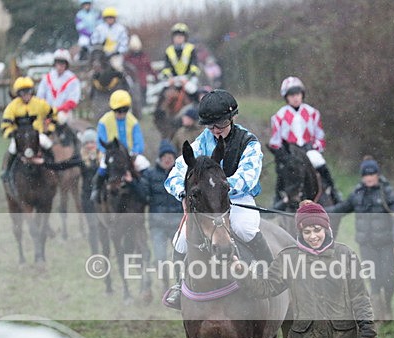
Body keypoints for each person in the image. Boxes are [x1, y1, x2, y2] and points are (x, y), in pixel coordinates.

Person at [232, 200, 378, 338]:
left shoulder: (345, 255)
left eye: (317, 230)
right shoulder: (289, 258)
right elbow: (265, 288)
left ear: (326, 228)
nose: (313, 236)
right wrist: (242, 272)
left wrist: (368, 334)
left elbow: (360, 298)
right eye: (307, 231)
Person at [163, 89, 271, 309]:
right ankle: (179, 286)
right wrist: (183, 193)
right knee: (181, 240)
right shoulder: (200, 143)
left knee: (244, 228)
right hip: (207, 204)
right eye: (210, 126)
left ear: (232, 118)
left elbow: (248, 176)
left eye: (220, 124)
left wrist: (219, 189)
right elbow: (174, 175)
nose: (215, 130)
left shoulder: (248, 142)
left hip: (237, 198)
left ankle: (269, 272)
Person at [328, 158, 394, 321]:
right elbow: (340, 209)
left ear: (377, 175)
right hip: (367, 245)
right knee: (374, 279)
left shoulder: (387, 192)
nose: (369, 178)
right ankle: (378, 314)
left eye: (372, 174)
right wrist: (317, 211)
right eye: (366, 175)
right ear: (362, 177)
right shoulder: (357, 193)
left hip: (386, 244)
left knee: (388, 281)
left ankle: (388, 306)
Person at [269, 76, 340, 203]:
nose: (295, 97)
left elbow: (320, 136)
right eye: (291, 95)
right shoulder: (278, 116)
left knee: (320, 163)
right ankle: (278, 198)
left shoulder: (313, 113)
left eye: (297, 94)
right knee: (282, 171)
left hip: (309, 150)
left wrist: (314, 147)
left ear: (302, 94)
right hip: (290, 153)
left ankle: (333, 192)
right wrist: (282, 153)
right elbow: (275, 141)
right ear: (286, 97)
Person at [141, 140, 183, 289]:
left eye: (170, 156)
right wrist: (132, 182)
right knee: (160, 258)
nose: (167, 159)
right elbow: (142, 195)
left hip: (178, 225)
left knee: (181, 258)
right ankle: (165, 285)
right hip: (157, 225)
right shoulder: (150, 174)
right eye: (164, 156)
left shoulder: (181, 175)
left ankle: (180, 286)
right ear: (159, 158)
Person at [0, 77, 58, 183]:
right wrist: (12, 134)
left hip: (37, 135)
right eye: (23, 92)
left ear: (32, 91)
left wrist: (50, 129)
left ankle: (54, 168)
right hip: (19, 137)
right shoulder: (12, 107)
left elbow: (53, 115)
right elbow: (5, 125)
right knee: (12, 148)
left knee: (48, 144)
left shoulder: (40, 103)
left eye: (28, 91)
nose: (26, 95)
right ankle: (7, 172)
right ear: (18, 93)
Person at [94, 89, 147, 184]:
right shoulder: (104, 121)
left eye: (125, 110)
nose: (122, 114)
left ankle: (146, 187)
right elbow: (100, 141)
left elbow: (139, 142)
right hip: (111, 154)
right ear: (113, 109)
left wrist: (135, 152)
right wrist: (105, 152)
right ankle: (96, 189)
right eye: (118, 111)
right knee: (102, 166)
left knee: (143, 164)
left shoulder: (133, 121)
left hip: (129, 155)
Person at [36, 49, 81, 130]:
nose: (60, 65)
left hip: (64, 113)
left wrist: (57, 110)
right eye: (58, 62)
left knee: (61, 118)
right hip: (47, 112)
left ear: (66, 64)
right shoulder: (47, 78)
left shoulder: (73, 80)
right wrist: (47, 111)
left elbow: (72, 101)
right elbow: (40, 97)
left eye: (63, 63)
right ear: (55, 63)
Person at [160, 23, 200, 98]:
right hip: (174, 79)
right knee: (162, 92)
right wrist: (169, 77)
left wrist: (189, 77)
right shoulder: (169, 50)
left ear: (185, 37)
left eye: (181, 36)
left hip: (188, 78)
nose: (178, 38)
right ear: (173, 37)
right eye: (176, 36)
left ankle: (198, 104)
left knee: (193, 91)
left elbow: (194, 65)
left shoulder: (191, 48)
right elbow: (166, 67)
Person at [124, 34, 155, 107]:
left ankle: (142, 110)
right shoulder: (128, 57)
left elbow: (149, 66)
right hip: (133, 83)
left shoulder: (143, 56)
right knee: (135, 100)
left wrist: (155, 75)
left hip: (142, 82)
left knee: (142, 100)